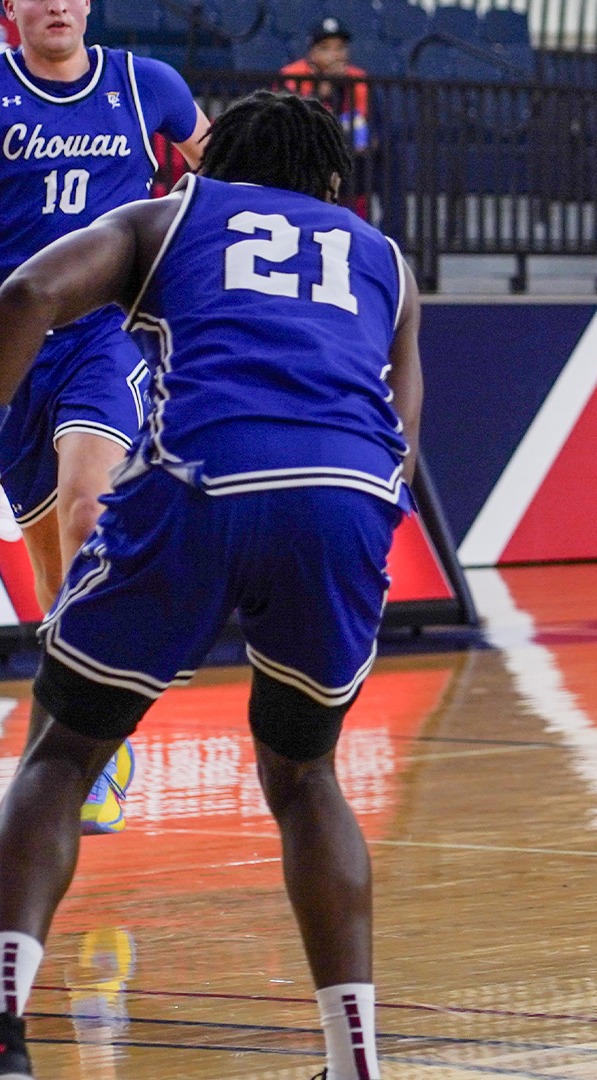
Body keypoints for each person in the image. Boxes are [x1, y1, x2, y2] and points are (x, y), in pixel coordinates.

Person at [0, 89, 421, 1080]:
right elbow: (403, 429)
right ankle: (352, 1062)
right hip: (347, 498)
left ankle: (4, 1028)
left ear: (208, 164)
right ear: (330, 184)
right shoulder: (384, 259)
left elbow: (25, 297)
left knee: (62, 754)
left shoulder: (172, 212)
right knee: (306, 776)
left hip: (209, 475)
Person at [1, 0, 211, 833]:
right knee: (55, 578)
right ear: (10, 9)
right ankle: (80, 712)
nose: (56, 4)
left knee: (92, 508)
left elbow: (221, 165)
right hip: (14, 342)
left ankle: (105, 734)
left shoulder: (145, 83)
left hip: (103, 333)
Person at [281, 17, 370, 155]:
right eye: (325, 48)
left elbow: (374, 130)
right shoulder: (292, 75)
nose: (335, 55)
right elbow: (285, 123)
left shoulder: (358, 78)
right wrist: (320, 94)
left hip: (349, 159)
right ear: (311, 53)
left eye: (340, 48)